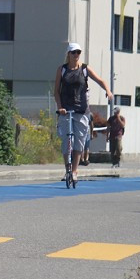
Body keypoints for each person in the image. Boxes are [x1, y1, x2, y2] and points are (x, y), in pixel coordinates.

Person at [53, 42, 113, 183]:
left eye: (78, 52)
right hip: (65, 110)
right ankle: (67, 169)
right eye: (73, 52)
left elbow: (100, 80)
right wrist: (60, 107)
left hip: (81, 110)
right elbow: (56, 91)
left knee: (79, 141)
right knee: (66, 141)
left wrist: (108, 91)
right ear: (68, 54)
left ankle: (74, 171)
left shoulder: (85, 69)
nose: (76, 55)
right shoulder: (62, 70)